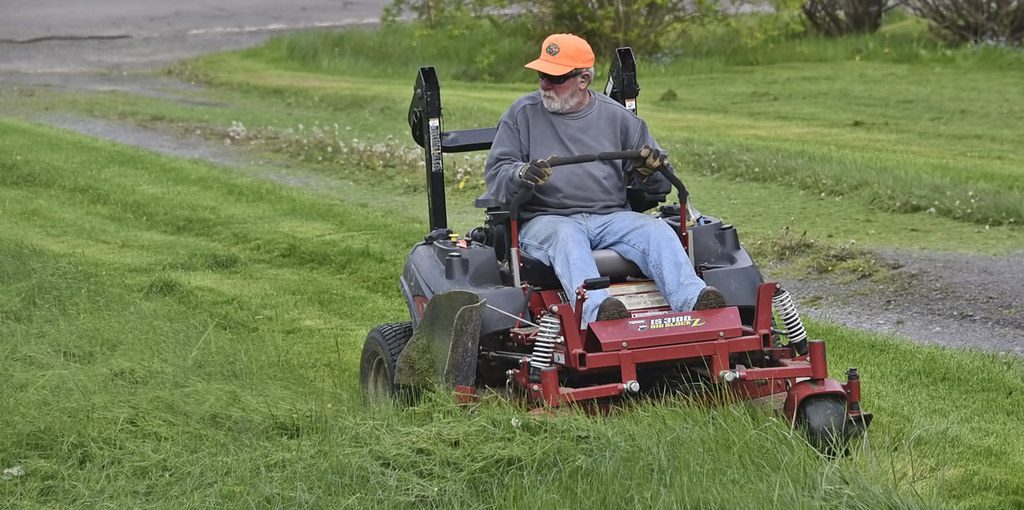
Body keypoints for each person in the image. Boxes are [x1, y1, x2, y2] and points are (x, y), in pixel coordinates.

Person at [483, 33, 726, 325]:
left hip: (611, 217)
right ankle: (599, 313)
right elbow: (497, 172)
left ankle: (697, 304)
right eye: (541, 75)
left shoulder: (619, 119)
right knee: (567, 237)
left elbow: (659, 184)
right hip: (546, 220)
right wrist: (520, 174)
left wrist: (650, 172)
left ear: (583, 79)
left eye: (554, 77)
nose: (544, 84)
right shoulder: (521, 115)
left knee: (657, 231)